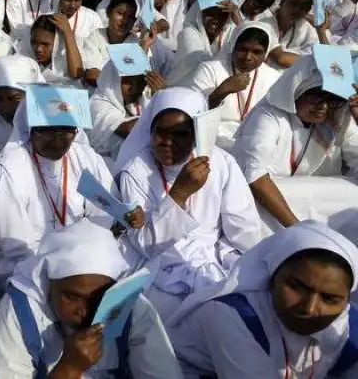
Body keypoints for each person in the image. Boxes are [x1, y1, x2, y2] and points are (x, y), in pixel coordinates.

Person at [114, 87, 263, 320]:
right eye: (160, 133)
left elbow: (243, 227)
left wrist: (252, 263)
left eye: (180, 134)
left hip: (216, 258)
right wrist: (179, 194)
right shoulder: (136, 170)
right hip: (161, 269)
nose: (167, 142)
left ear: (196, 134)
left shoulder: (221, 162)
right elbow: (144, 244)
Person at [0, 219, 184, 378]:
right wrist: (69, 369)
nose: (85, 312)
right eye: (72, 297)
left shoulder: (131, 307)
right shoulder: (19, 310)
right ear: (49, 283)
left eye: (100, 297)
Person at [168, 221, 358, 378]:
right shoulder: (232, 316)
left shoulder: (349, 324)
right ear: (272, 276)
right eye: (296, 287)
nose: (309, 309)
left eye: (330, 298)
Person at [0, 84, 114, 297]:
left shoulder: (85, 157)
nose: (58, 140)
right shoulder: (8, 170)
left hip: (80, 253)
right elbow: (16, 245)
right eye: (46, 131)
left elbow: (102, 214)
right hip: (24, 263)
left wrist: (80, 255)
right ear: (29, 129)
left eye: (66, 131)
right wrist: (62, 267)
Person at [232, 54, 358, 240]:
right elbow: (255, 179)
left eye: (332, 98)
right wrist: (299, 231)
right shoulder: (268, 116)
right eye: (316, 96)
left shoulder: (337, 115)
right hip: (268, 209)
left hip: (314, 209)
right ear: (297, 90)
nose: (323, 106)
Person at [189, 21, 281, 150]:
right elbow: (192, 113)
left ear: (265, 54)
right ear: (233, 47)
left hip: (254, 142)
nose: (248, 57)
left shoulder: (274, 78)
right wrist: (222, 91)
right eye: (242, 49)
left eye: (256, 52)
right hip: (213, 141)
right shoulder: (210, 69)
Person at [88, 57, 165, 162]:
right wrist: (160, 101)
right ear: (113, 79)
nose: (133, 89)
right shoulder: (98, 104)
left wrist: (164, 96)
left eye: (139, 82)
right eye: (127, 82)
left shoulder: (135, 101)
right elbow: (129, 130)